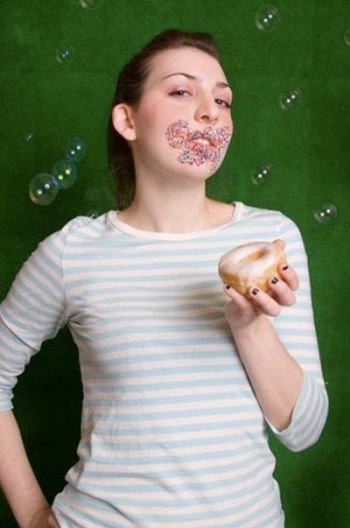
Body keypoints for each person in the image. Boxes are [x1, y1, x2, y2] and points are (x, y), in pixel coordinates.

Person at [0, 29, 328, 528]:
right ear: (127, 120)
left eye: (222, 99)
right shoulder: (74, 252)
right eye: (181, 91)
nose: (211, 111)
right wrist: (30, 514)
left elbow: (303, 430)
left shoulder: (271, 240)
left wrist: (250, 325)